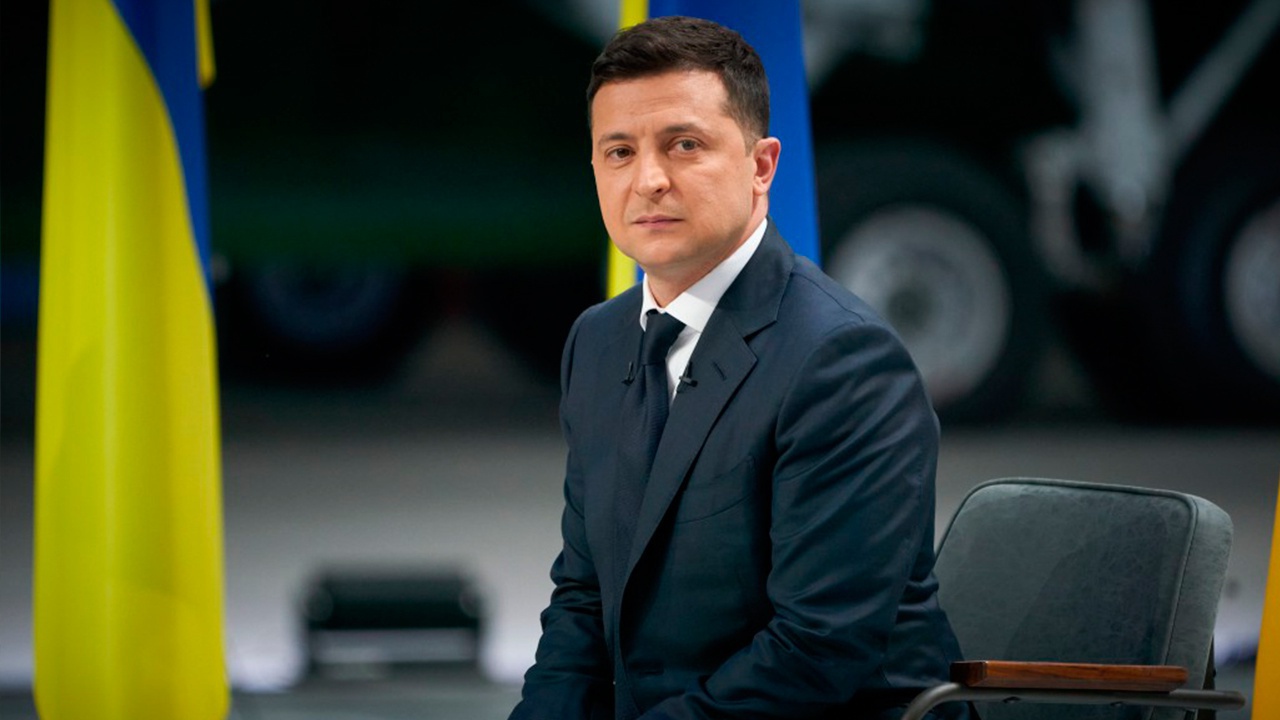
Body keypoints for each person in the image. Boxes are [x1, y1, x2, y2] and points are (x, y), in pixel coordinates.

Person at [510, 16, 968, 720]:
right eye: (619, 152)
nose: (649, 180)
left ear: (761, 167)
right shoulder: (597, 341)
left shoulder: (843, 362)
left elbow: (815, 650)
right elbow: (583, 599)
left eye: (684, 145)